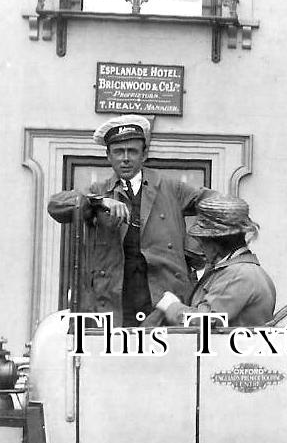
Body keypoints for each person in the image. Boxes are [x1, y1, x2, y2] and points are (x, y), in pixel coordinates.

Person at [47, 115, 217, 326]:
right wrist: (98, 203)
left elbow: (218, 204)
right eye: (118, 152)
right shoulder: (97, 192)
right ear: (108, 156)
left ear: (144, 155)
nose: (125, 158)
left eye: (132, 151)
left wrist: (193, 245)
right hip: (113, 302)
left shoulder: (171, 188)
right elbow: (55, 206)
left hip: (163, 299)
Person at [156, 195, 276, 327]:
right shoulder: (240, 270)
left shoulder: (237, 274)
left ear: (215, 242)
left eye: (202, 242)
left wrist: (171, 307)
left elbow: (202, 322)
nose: (200, 247)